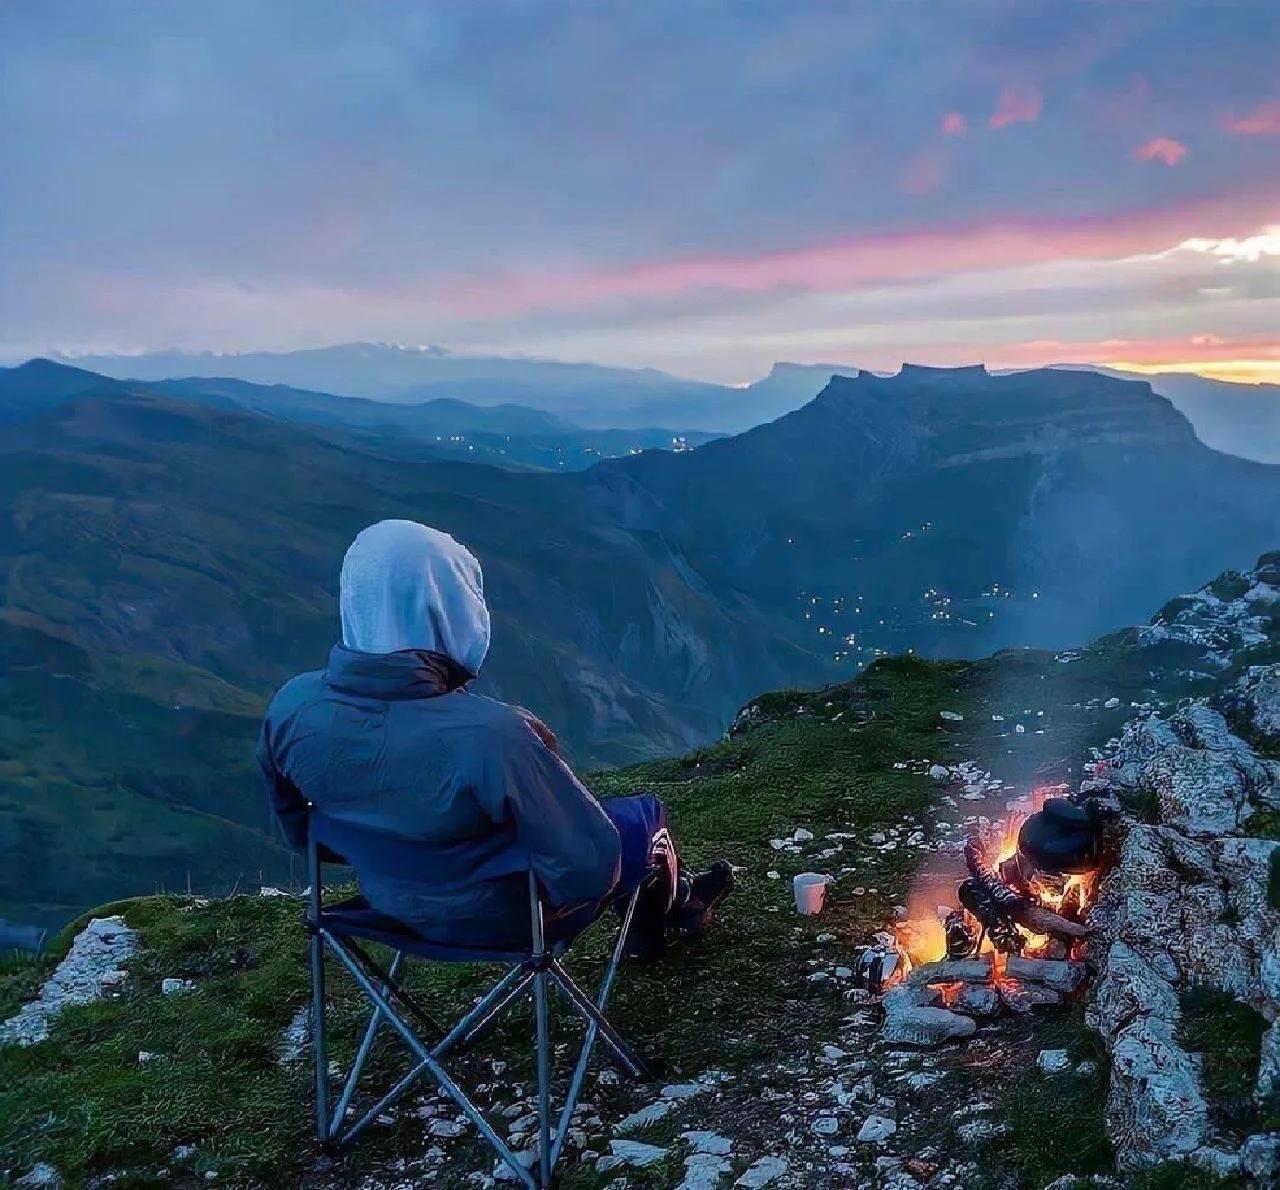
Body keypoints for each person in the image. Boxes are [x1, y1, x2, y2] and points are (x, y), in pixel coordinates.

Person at [257, 518, 733, 958]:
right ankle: (676, 906)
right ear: (447, 608)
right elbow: (590, 869)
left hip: (387, 904)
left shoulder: (291, 708)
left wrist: (396, 854)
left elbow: (306, 835)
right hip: (506, 917)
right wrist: (529, 751)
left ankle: (671, 908)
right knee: (642, 817)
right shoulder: (493, 735)